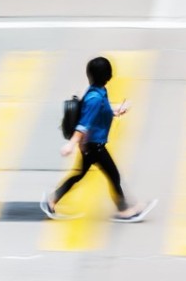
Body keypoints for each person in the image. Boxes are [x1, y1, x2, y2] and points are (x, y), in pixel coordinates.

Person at [41, 57, 155, 222]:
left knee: (81, 175)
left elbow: (101, 111)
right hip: (94, 146)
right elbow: (84, 124)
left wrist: (115, 111)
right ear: (109, 75)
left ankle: (53, 199)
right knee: (113, 175)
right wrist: (71, 144)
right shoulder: (94, 98)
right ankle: (124, 211)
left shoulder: (97, 90)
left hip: (92, 145)